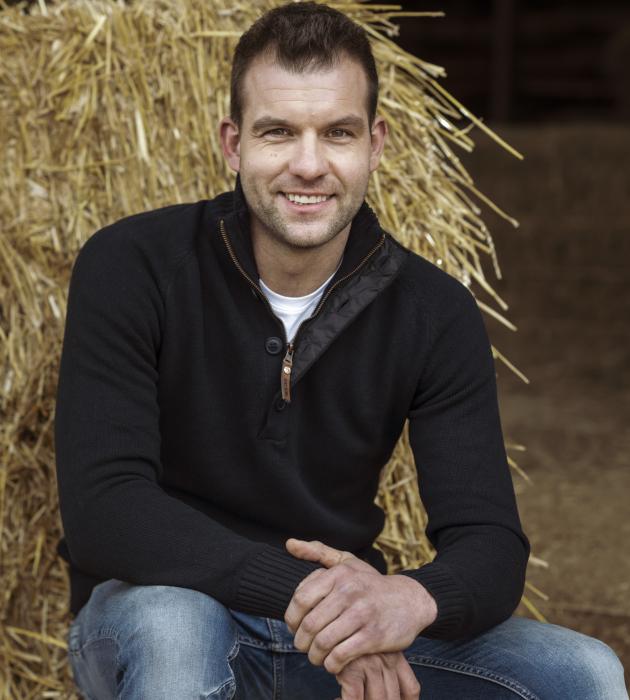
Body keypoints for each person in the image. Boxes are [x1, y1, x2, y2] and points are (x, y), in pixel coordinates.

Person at [54, 2, 628, 698]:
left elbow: (491, 544)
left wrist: (400, 603)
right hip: (163, 611)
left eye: (338, 133)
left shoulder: (434, 311)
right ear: (233, 144)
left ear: (375, 145)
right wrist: (318, 600)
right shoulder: (132, 265)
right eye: (278, 132)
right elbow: (106, 510)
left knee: (585, 673)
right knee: (176, 631)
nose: (308, 165)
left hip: (338, 640)